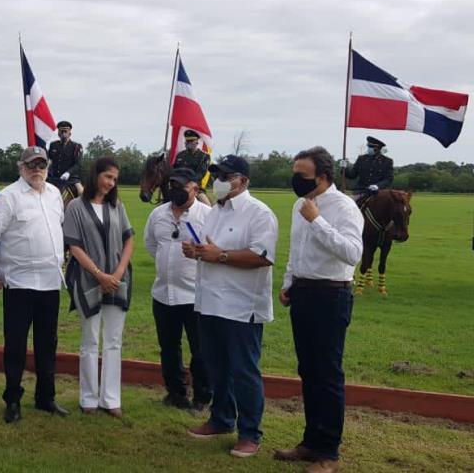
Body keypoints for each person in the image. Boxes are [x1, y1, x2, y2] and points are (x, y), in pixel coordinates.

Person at [182, 154, 278, 458]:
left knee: (243, 371)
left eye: (226, 176)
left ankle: (250, 432)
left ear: (243, 181)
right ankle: (221, 419)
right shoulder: (214, 212)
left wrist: (219, 255)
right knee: (216, 367)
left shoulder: (259, 213)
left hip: (241, 306)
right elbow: (211, 249)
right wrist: (197, 251)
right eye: (217, 175)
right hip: (209, 301)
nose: (220, 181)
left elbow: (263, 256)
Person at [276, 147, 363, 473]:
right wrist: (288, 283)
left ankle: (329, 453)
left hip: (331, 295)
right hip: (303, 292)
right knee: (308, 371)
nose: (295, 180)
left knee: (327, 375)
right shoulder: (300, 204)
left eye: (302, 175)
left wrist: (319, 221)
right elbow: (296, 250)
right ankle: (310, 442)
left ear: (323, 176)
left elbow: (352, 253)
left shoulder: (344, 207)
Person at [0, 145, 69, 423]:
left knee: (47, 344)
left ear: (47, 167)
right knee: (15, 346)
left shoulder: (54, 194)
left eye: (41, 165)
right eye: (32, 165)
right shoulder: (7, 197)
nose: (37, 170)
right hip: (19, 283)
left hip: (50, 282)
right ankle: (12, 399)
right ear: (21, 167)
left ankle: (45, 398)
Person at [63, 157, 134, 418]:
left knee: (113, 341)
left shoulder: (118, 206)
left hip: (118, 281)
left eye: (115, 179)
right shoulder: (75, 208)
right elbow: (74, 246)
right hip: (88, 281)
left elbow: (128, 240)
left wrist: (116, 273)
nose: (111, 183)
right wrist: (99, 275)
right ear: (96, 175)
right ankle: (89, 399)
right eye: (108, 177)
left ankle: (110, 398)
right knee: (90, 339)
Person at [144, 167, 212, 411]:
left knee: (200, 350)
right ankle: (175, 393)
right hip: (163, 293)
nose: (175, 190)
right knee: (169, 348)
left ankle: (203, 397)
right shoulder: (158, 214)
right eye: (172, 185)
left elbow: (214, 250)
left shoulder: (207, 215)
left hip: (195, 295)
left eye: (181, 186)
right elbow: (151, 245)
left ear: (195, 187)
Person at [340, 136, 393, 201]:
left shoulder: (387, 161)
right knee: (348, 205)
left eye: (371, 147)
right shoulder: (361, 159)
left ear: (377, 148)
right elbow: (352, 175)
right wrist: (344, 168)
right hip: (360, 192)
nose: (368, 148)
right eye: (368, 146)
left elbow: (388, 179)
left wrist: (377, 186)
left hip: (378, 193)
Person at [173, 130, 211, 205]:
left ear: (197, 142)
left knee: (208, 206)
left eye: (191, 141)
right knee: (161, 207)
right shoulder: (180, 156)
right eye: (187, 141)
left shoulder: (204, 157)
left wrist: (188, 182)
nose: (188, 143)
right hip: (178, 187)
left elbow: (200, 174)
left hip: (195, 188)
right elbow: (174, 171)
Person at [47, 120, 83, 192]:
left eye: (65, 131)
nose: (63, 133)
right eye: (61, 131)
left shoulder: (76, 146)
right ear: (58, 133)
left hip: (71, 179)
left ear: (70, 133)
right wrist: (45, 169)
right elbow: (50, 160)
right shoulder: (53, 145)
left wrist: (68, 173)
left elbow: (78, 164)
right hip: (54, 178)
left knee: (81, 193)